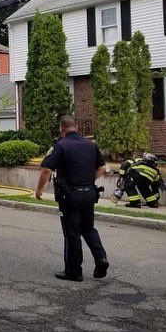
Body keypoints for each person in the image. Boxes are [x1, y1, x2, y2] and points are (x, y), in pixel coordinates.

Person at [35, 115, 109, 282]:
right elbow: (102, 168)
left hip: (70, 196)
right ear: (76, 127)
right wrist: (89, 181)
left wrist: (39, 190)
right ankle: (101, 258)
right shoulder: (91, 145)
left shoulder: (61, 145)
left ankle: (74, 271)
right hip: (89, 193)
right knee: (89, 228)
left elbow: (46, 169)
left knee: (72, 233)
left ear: (62, 128)